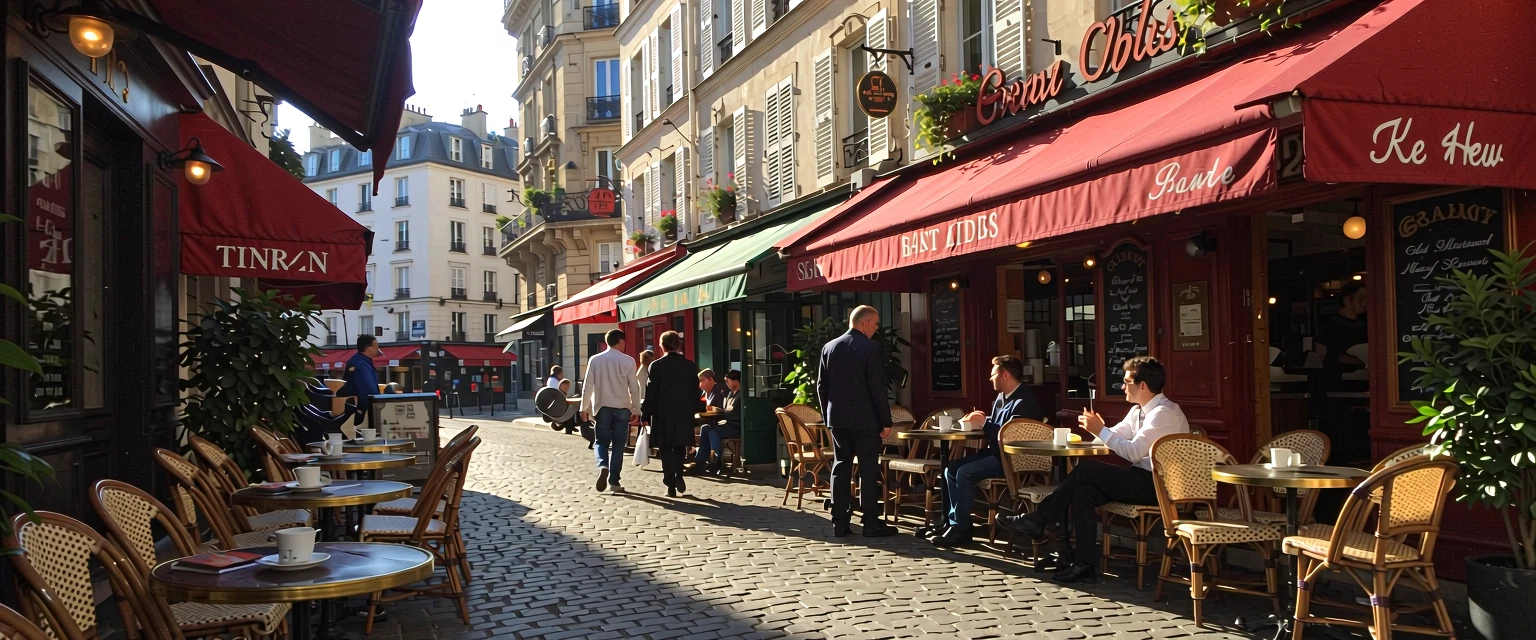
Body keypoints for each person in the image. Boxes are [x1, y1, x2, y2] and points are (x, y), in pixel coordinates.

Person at [997, 356, 1189, 584]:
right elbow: (1116, 434)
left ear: (1143, 386)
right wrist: (1097, 432)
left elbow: (1134, 451)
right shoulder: (1139, 411)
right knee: (1083, 492)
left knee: (1085, 470)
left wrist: (1101, 431)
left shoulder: (1164, 414)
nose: (1122, 386)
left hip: (1161, 486)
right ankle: (1084, 564)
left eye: (1126, 381)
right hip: (1142, 478)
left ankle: (1041, 518)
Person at [929, 355, 1044, 548]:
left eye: (993, 374)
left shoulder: (1025, 401)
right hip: (995, 454)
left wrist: (984, 423)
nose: (990, 378)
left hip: (1012, 460)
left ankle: (961, 530)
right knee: (951, 468)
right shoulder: (1001, 398)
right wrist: (979, 421)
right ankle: (950, 523)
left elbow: (1009, 436)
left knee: (965, 472)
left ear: (1005, 375)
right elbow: (996, 425)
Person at [817, 305, 900, 538]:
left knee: (841, 467)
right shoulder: (870, 348)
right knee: (868, 469)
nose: (876, 329)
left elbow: (821, 387)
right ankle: (870, 522)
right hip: (865, 420)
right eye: (875, 324)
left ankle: (840, 522)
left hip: (838, 420)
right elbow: (877, 389)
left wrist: (828, 416)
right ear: (864, 323)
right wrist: (886, 421)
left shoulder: (829, 347)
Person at [643, 331, 704, 497]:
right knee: (679, 446)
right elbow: (695, 391)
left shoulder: (655, 366)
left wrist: (645, 414)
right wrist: (697, 408)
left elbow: (651, 393)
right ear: (679, 345)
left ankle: (669, 481)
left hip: (662, 413)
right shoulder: (690, 366)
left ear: (661, 346)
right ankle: (679, 474)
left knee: (665, 448)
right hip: (683, 412)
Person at [581, 330, 641, 493]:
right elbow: (634, 388)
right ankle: (614, 481)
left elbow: (588, 386)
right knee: (618, 446)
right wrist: (637, 408)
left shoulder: (595, 360)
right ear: (620, 341)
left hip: (602, 407)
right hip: (622, 407)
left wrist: (584, 407)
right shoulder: (628, 361)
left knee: (600, 441)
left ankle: (602, 465)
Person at [692, 370, 742, 474]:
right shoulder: (729, 395)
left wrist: (723, 412)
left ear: (735, 381)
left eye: (728, 381)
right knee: (705, 428)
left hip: (736, 426)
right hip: (727, 423)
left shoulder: (741, 395)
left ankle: (717, 460)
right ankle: (700, 461)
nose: (726, 384)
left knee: (713, 431)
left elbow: (735, 413)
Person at [338, 335, 383, 425]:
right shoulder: (362, 364)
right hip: (361, 412)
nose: (377, 348)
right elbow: (368, 390)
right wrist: (375, 407)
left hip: (355, 409)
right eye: (375, 345)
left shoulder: (359, 361)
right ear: (368, 347)